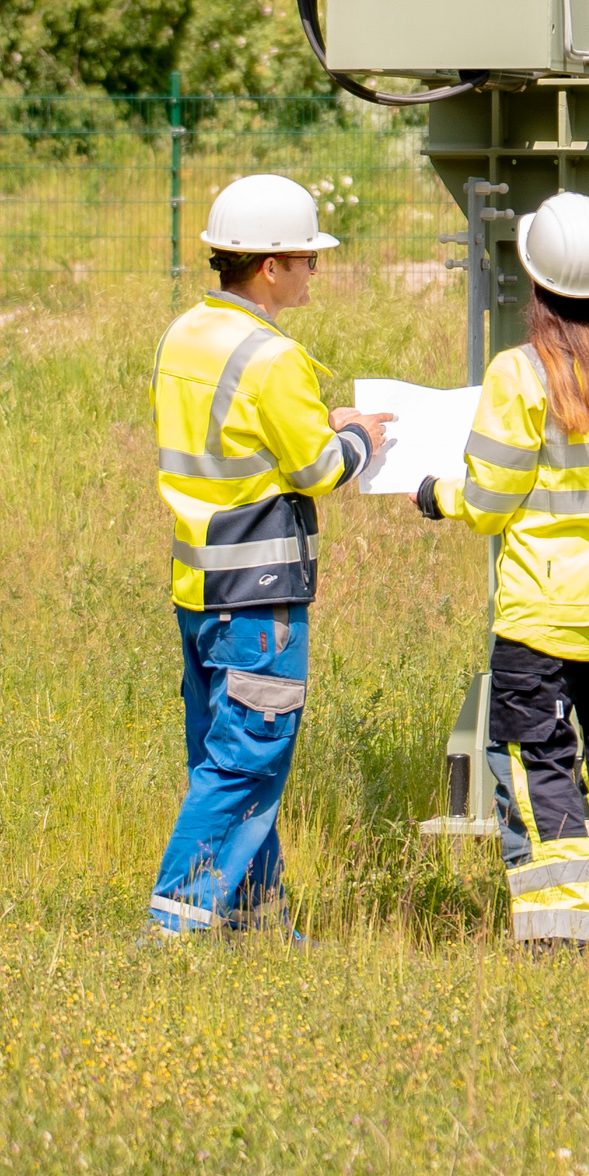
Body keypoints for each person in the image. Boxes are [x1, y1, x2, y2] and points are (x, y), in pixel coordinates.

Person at [418, 190, 589, 950]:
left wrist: (437, 495)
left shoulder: (521, 374)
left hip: (542, 612)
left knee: (540, 764)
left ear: (537, 286)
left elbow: (491, 497)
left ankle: (559, 932)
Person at [148, 172, 387, 938]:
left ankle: (256, 922)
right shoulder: (271, 356)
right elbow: (318, 469)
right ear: (271, 266)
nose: (315, 269)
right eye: (308, 258)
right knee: (248, 758)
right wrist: (359, 437)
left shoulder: (183, 334)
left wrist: (318, 424)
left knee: (227, 754)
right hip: (259, 598)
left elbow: (241, 438)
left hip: (200, 584)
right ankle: (175, 925)